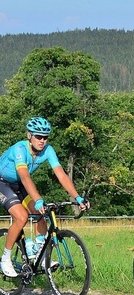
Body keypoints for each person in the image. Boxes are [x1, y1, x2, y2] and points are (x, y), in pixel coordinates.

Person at [0, 117, 91, 277]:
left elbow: (61, 175)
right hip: (3, 182)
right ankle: (5, 259)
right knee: (21, 217)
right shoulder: (20, 149)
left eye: (45, 137)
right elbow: (25, 177)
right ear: (29, 135)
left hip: (19, 185)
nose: (42, 140)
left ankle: (40, 255)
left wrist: (77, 198)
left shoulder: (48, 150)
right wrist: (38, 199)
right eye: (38, 136)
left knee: (41, 215)